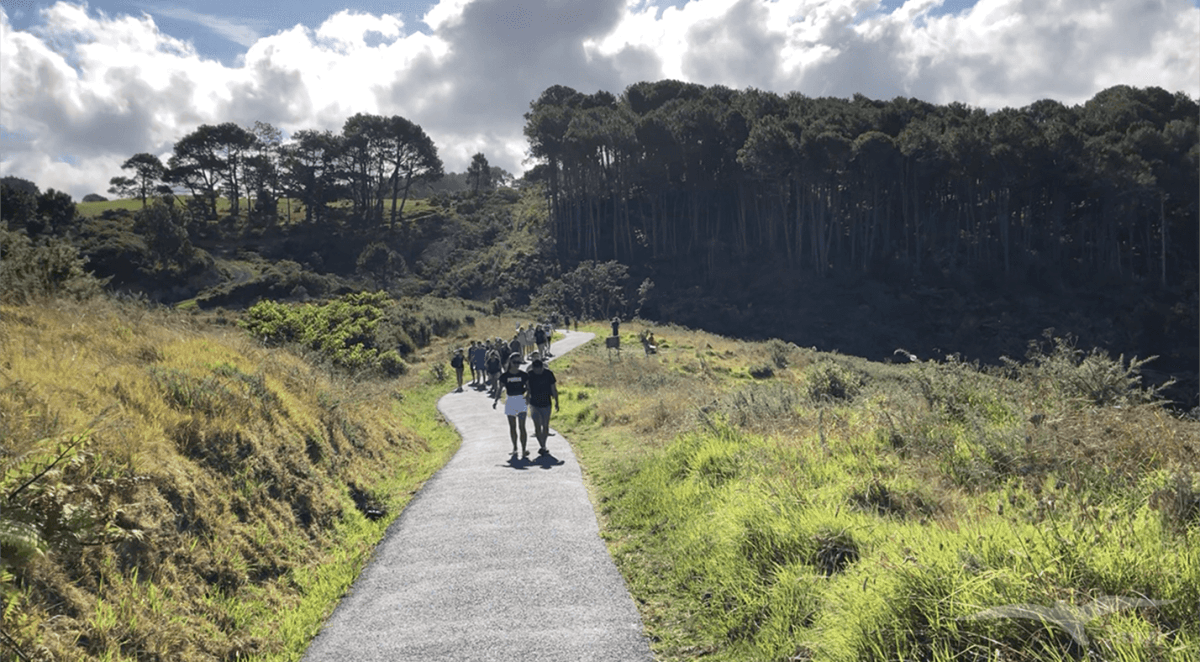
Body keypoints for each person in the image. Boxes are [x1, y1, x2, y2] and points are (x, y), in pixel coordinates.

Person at [493, 355, 530, 457]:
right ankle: (515, 448)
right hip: (510, 400)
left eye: (519, 362)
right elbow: (500, 389)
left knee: (522, 426)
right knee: (512, 427)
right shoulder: (505, 376)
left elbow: (529, 388)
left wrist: (527, 398)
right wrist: (496, 400)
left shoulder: (524, 375)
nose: (517, 365)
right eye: (515, 362)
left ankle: (524, 449)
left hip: (521, 399)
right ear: (510, 362)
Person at [525, 358, 559, 456]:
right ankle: (542, 446)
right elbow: (528, 388)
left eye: (539, 369)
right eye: (535, 369)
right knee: (537, 425)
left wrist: (557, 401)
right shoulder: (530, 375)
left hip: (546, 402)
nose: (537, 371)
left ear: (542, 367)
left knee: (545, 425)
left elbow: (553, 388)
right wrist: (527, 397)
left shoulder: (548, 374)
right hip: (534, 403)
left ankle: (544, 445)